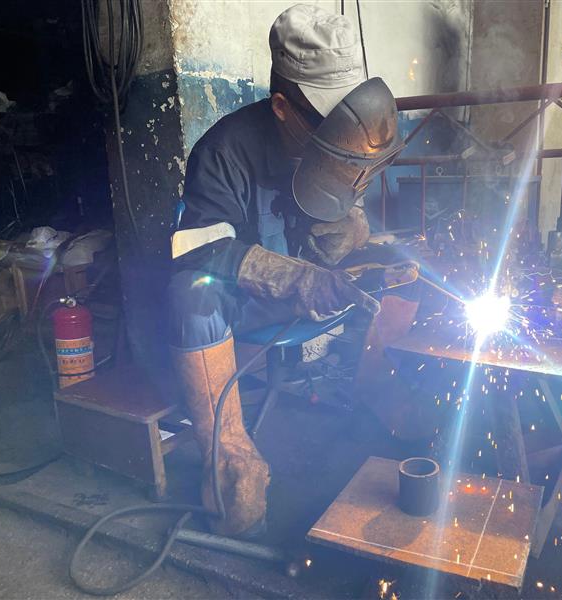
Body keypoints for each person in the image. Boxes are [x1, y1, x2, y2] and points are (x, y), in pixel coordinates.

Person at [167, 4, 401, 538]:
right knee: (190, 296)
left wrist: (354, 230)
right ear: (282, 108)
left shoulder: (338, 144)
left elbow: (346, 207)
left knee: (402, 267)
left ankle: (389, 407)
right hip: (244, 303)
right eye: (329, 123)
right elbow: (196, 252)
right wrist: (296, 278)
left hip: (311, 288)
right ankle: (229, 461)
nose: (341, 136)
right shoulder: (223, 151)